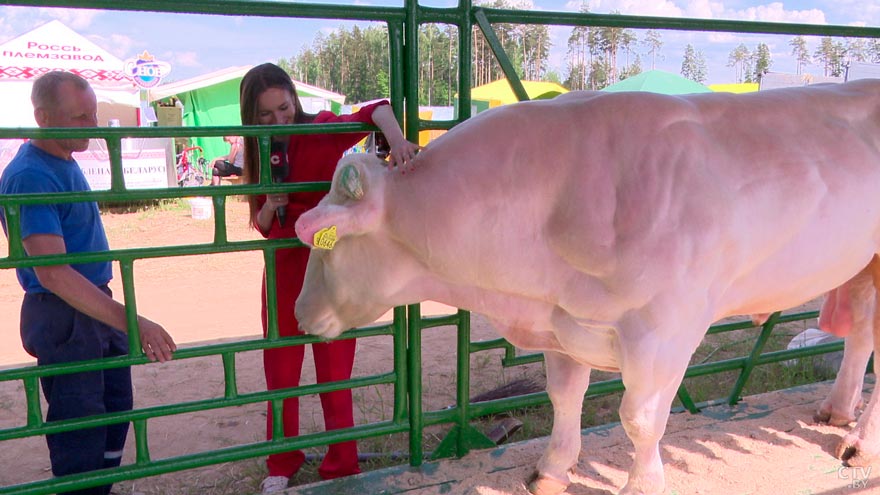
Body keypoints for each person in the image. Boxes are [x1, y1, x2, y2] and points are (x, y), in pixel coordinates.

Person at [239, 62, 420, 494]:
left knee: (334, 365)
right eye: (266, 115)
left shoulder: (320, 128)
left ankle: (342, 463)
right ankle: (281, 462)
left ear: (294, 101)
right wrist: (269, 205)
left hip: (328, 257)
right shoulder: (258, 148)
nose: (278, 120)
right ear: (252, 116)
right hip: (283, 264)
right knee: (280, 366)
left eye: (284, 108)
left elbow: (376, 109)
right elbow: (261, 223)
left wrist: (396, 141)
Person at [0, 71, 177, 495]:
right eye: (80, 118)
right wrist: (134, 321)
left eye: (93, 114)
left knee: (114, 410)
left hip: (93, 302)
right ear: (43, 117)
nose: (92, 125)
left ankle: (102, 487)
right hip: (64, 310)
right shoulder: (31, 176)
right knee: (81, 424)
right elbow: (54, 273)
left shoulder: (64, 159)